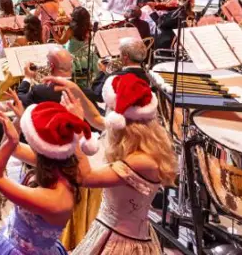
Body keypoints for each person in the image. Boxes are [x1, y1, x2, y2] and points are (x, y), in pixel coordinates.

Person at [54, 74, 175, 255]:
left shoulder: (141, 160)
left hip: (120, 242)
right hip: (113, 232)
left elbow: (84, 177)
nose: (107, 114)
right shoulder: (146, 143)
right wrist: (74, 89)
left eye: (109, 108)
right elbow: (96, 118)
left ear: (119, 119)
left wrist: (76, 127)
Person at [0, 101, 93, 255]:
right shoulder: (59, 164)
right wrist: (18, 121)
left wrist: (12, 140)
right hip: (11, 241)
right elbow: (12, 149)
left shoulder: (55, 199)